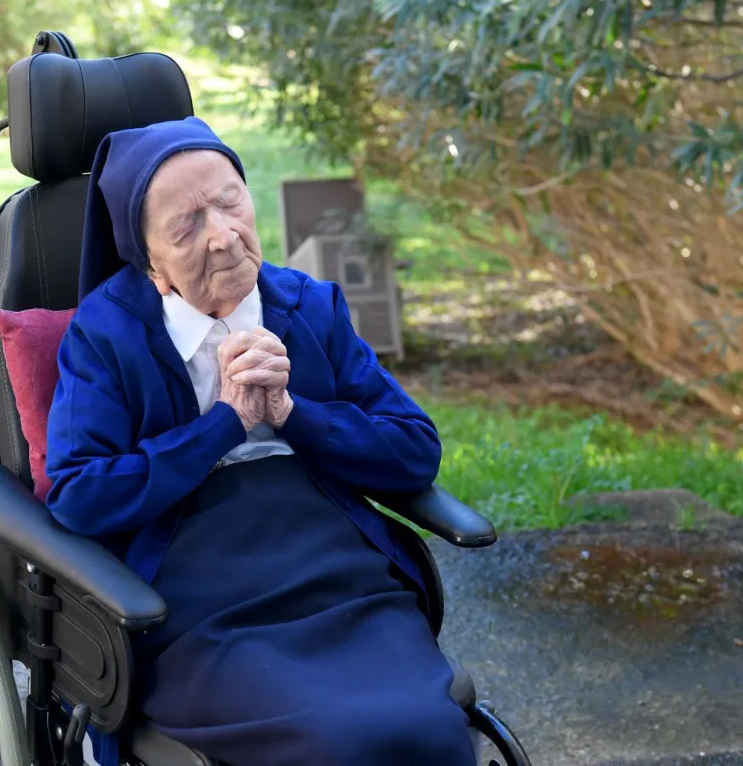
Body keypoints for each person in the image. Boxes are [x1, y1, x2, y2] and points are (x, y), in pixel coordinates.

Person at [44, 116, 476, 766]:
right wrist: (223, 423)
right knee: (332, 741)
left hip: (337, 575)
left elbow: (414, 448)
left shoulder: (308, 306)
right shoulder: (106, 335)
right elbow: (80, 494)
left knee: (423, 727)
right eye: (187, 225)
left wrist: (294, 411)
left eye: (230, 202)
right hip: (196, 596)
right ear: (148, 259)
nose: (222, 237)